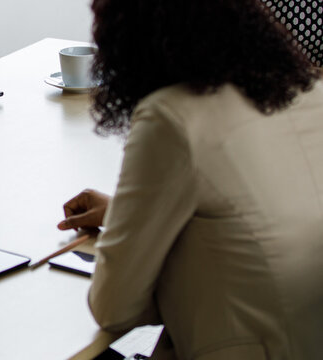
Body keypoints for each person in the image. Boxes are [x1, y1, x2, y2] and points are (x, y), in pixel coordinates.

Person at [56, 0, 323, 358]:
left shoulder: (170, 117)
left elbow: (113, 308)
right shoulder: (308, 87)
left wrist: (134, 233)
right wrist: (128, 211)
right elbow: (255, 215)